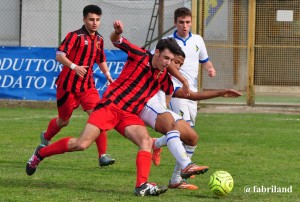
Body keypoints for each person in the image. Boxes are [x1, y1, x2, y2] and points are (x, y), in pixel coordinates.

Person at [25, 20, 203, 196]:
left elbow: (169, 94)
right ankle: (41, 153)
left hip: (129, 114)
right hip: (109, 107)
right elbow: (117, 41)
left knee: (146, 142)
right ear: (156, 53)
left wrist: (183, 84)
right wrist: (117, 32)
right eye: (165, 58)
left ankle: (142, 185)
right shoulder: (140, 55)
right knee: (81, 144)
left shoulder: (163, 75)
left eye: (171, 60)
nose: (167, 63)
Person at [145, 53, 241, 190]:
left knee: (192, 137)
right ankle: (181, 166)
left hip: (162, 112)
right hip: (149, 111)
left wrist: (221, 92)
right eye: (175, 62)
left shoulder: (169, 80)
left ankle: (175, 178)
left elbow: (193, 95)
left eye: (180, 64)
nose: (177, 66)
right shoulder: (151, 68)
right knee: (178, 132)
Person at [38, 5, 115, 167]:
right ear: (84, 20)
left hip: (88, 88)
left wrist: (107, 74)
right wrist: (74, 66)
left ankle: (103, 155)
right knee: (63, 121)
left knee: (98, 117)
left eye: (97, 20)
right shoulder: (74, 36)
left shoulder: (100, 39)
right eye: (91, 19)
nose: (95, 23)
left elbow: (100, 59)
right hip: (68, 88)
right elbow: (59, 55)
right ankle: (46, 137)